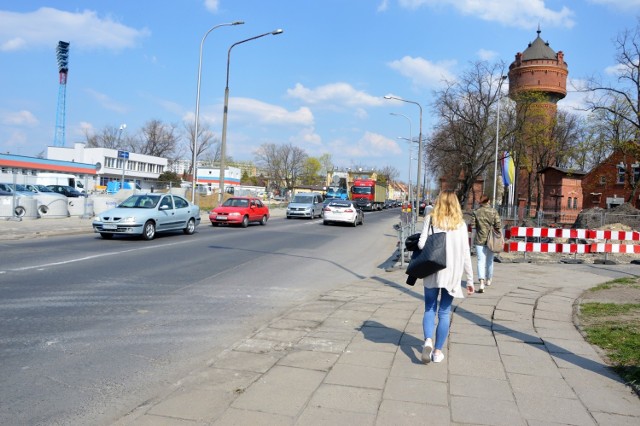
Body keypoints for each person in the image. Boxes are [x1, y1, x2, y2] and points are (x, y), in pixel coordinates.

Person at [418, 190, 474, 364]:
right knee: (444, 312)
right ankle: (437, 352)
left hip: (432, 271)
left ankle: (428, 339)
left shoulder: (431, 219)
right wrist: (470, 280)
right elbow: (466, 254)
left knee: (429, 309)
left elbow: (421, 244)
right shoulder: (461, 225)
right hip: (452, 274)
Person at [472, 195, 502, 293]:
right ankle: (488, 279)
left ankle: (481, 282)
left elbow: (473, 226)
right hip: (491, 239)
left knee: (480, 261)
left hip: (480, 239)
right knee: (490, 261)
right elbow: (498, 225)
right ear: (488, 201)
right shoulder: (494, 211)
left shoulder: (476, 212)